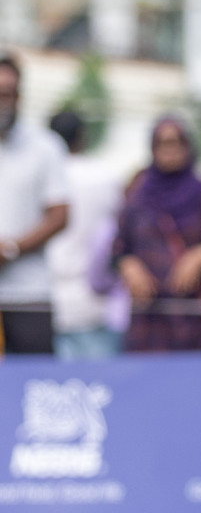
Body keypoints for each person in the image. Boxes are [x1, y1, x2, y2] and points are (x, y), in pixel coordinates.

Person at [111, 117, 201, 353]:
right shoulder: (138, 198)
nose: (169, 150)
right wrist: (128, 264)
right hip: (148, 314)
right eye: (162, 144)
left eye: (175, 143)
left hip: (194, 313)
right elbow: (117, 249)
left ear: (188, 147)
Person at [0, 54, 70, 355]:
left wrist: (11, 248)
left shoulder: (45, 146)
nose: (3, 101)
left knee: (30, 385)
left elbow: (60, 215)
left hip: (29, 294)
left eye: (8, 93)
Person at [47, 109, 124, 360]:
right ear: (82, 137)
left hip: (46, 301)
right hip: (95, 303)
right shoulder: (105, 177)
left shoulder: (44, 176)